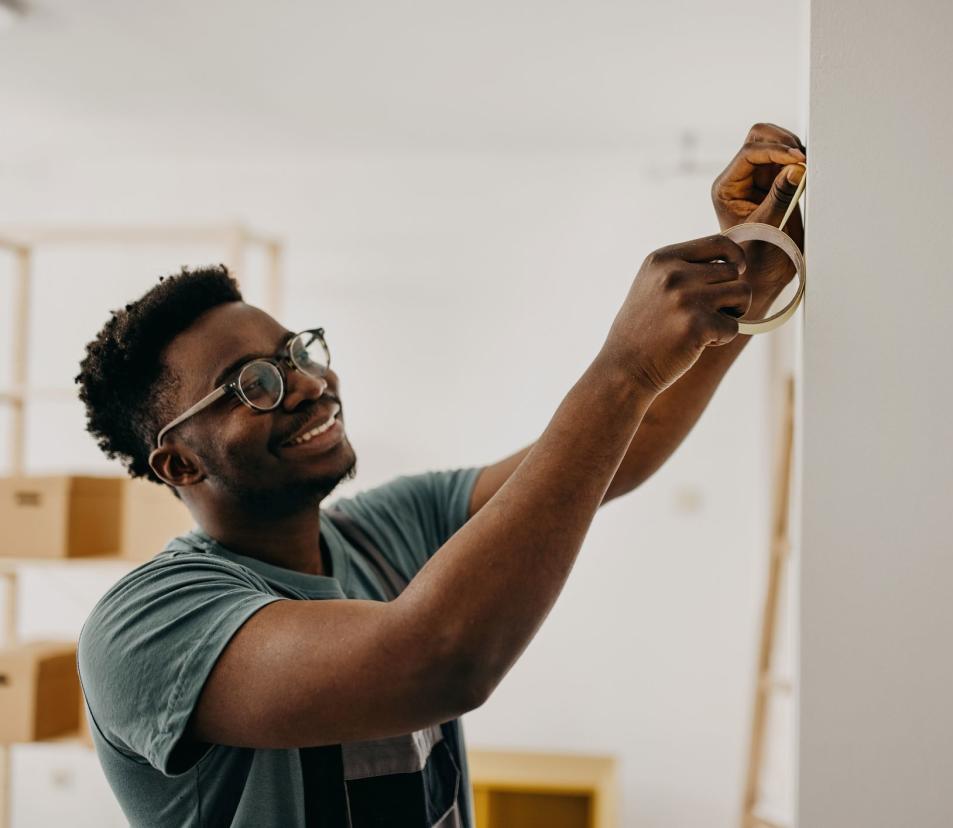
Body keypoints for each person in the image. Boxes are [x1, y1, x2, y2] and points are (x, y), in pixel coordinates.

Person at [74, 123, 805, 827]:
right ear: (178, 462)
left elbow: (623, 446)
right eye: (252, 385)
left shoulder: (391, 525)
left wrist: (746, 277)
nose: (304, 383)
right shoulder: (146, 625)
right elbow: (436, 662)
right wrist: (622, 368)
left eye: (296, 351)